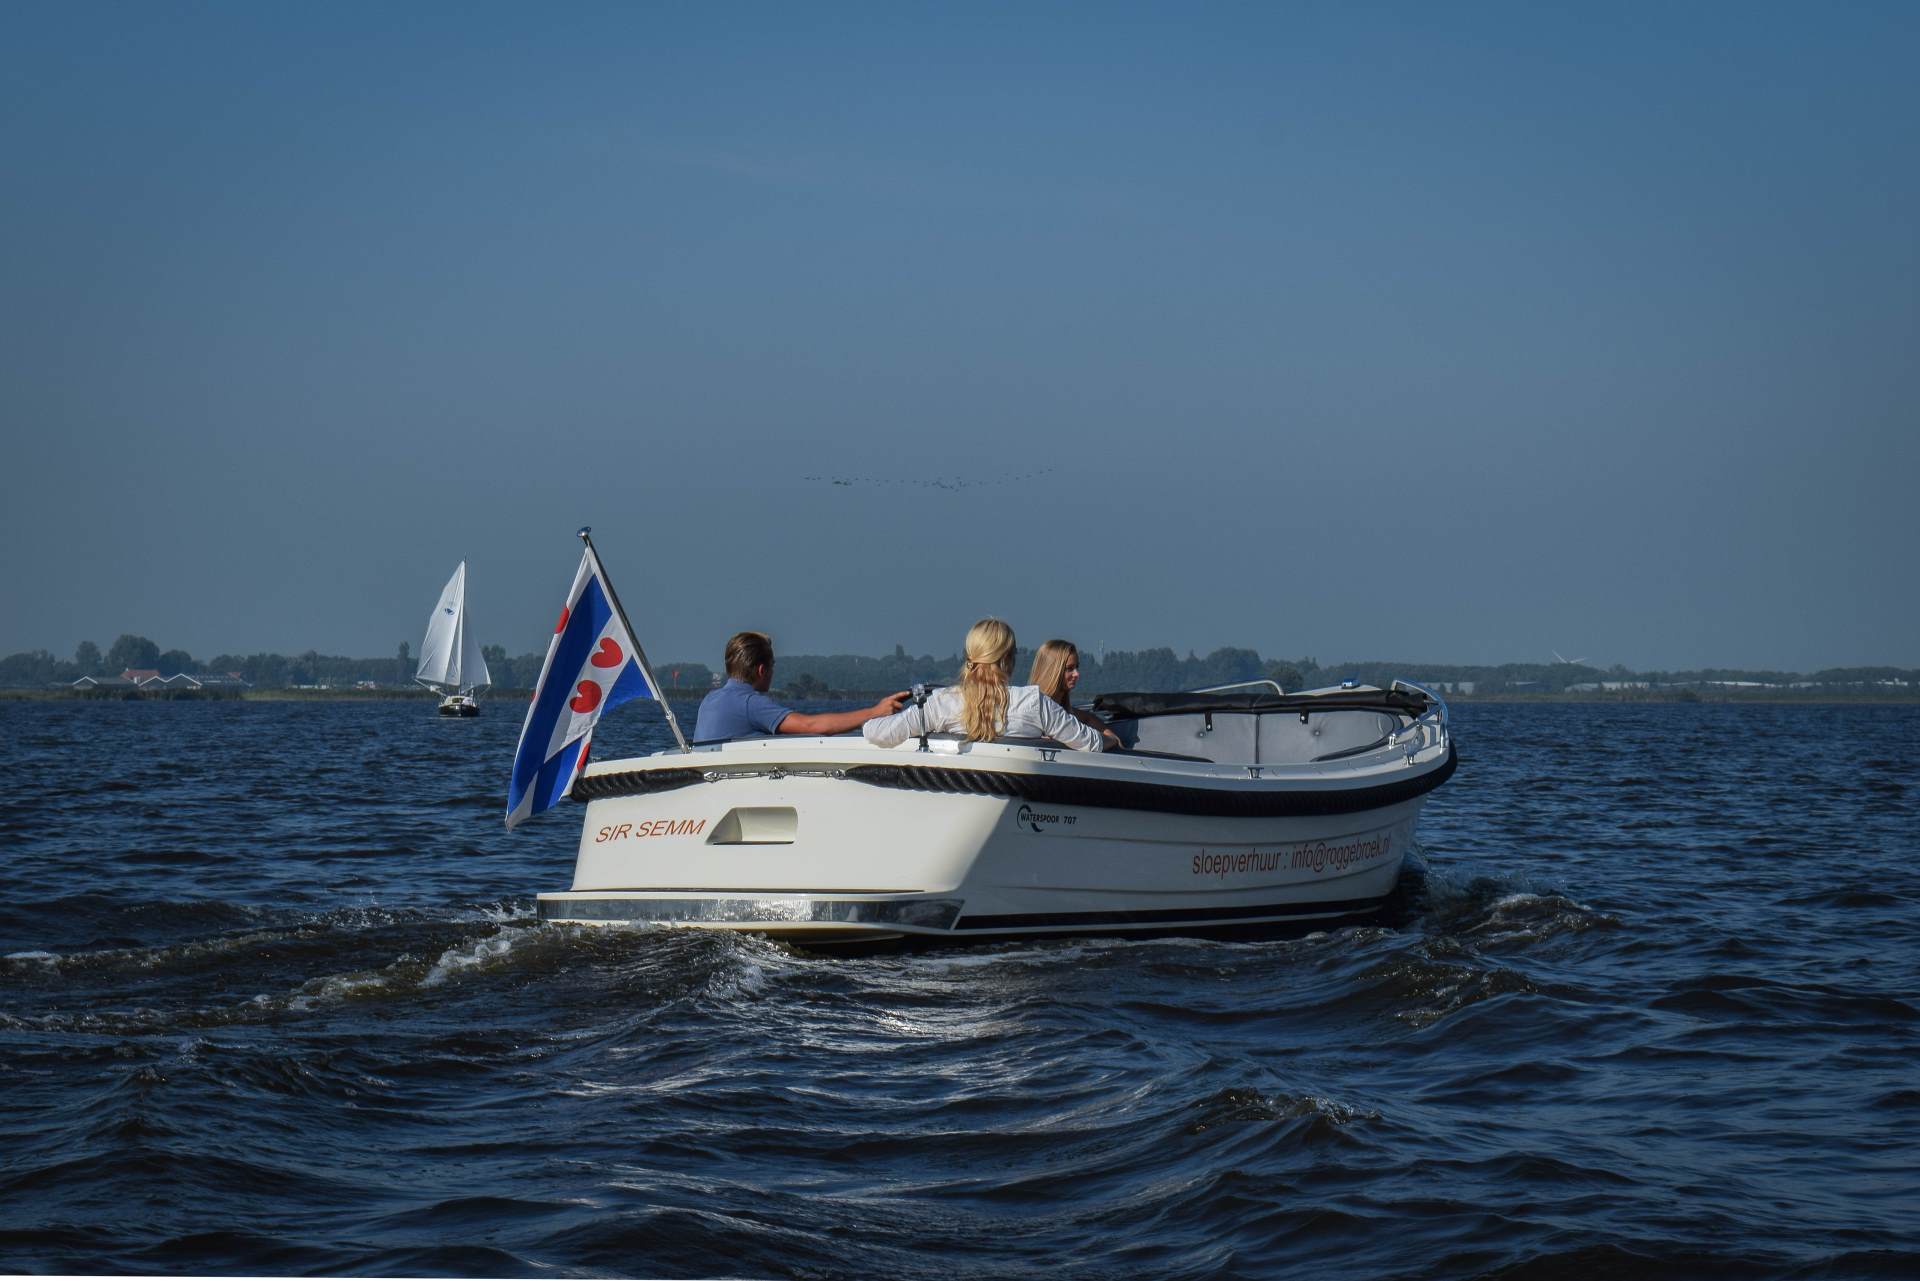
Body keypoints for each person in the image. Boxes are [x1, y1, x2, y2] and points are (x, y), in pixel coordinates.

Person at [862, 619, 1103, 751]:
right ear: (1009, 660)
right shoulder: (1033, 702)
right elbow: (1091, 744)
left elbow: (875, 733)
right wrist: (1110, 739)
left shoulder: (940, 703)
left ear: (969, 658)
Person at [694, 631, 906, 743]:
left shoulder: (709, 700)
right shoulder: (750, 703)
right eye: (773, 666)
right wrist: (875, 712)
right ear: (762, 670)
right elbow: (811, 726)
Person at [1029, 638, 1123, 750]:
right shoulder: (1037, 709)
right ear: (1052, 670)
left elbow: (1087, 718)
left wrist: (1112, 737)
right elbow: (1089, 740)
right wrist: (1112, 740)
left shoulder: (1064, 711)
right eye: (1069, 669)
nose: (1077, 674)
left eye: (1076, 667)